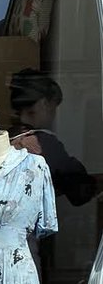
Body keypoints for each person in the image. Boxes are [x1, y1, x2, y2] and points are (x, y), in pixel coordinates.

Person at [9, 68, 97, 206]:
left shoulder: (8, 139)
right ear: (46, 104)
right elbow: (80, 194)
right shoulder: (42, 143)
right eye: (55, 107)